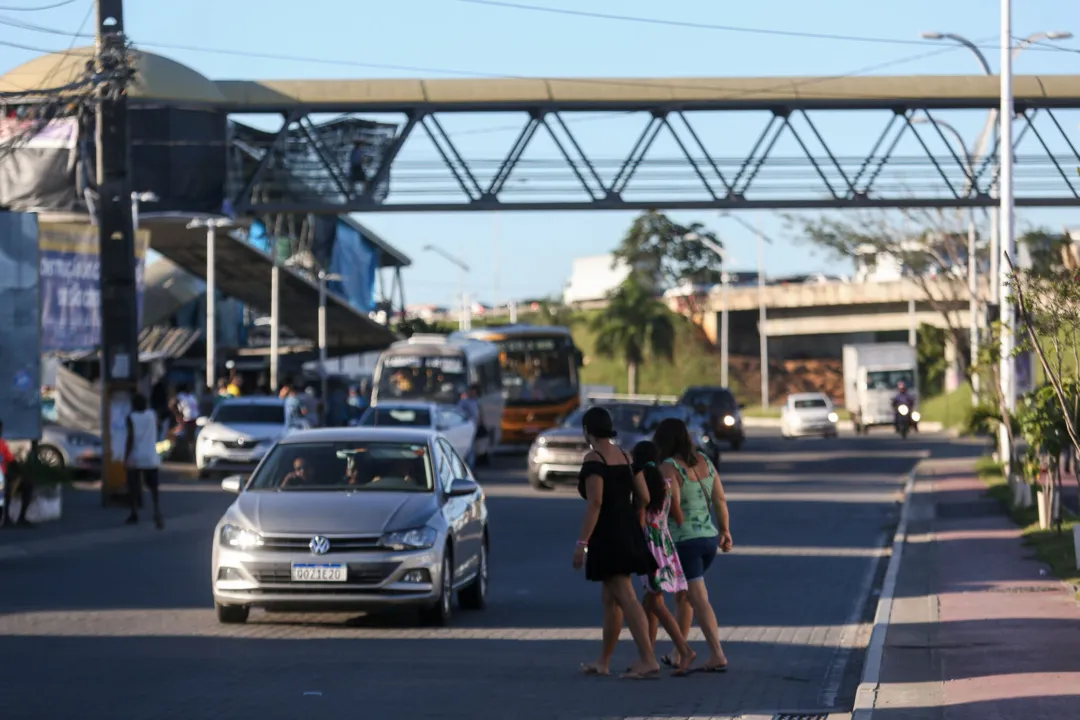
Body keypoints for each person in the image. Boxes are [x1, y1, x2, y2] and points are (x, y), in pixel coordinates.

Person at [574, 406, 661, 680]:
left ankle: (648, 659)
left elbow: (595, 503)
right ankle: (604, 661)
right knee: (610, 599)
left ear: (588, 430)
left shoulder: (594, 459)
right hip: (628, 531)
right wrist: (636, 517)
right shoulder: (625, 456)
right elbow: (644, 496)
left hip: (607, 535)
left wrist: (582, 543)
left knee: (625, 596)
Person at [654, 417, 733, 674]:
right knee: (684, 596)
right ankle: (678, 652)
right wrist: (725, 531)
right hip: (709, 538)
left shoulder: (669, 467)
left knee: (698, 598)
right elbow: (719, 499)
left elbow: (673, 506)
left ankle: (717, 654)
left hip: (685, 541)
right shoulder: (705, 461)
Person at [633, 440, 696, 674]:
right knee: (648, 604)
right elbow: (675, 515)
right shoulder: (666, 484)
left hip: (649, 546)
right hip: (665, 544)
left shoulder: (640, 484)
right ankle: (648, 657)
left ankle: (684, 650)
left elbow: (640, 518)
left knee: (655, 604)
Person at [125, 394, 164, 529]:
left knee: (133, 486)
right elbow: (159, 427)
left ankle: (134, 513)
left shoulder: (131, 417)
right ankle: (157, 511)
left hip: (135, 456)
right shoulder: (152, 414)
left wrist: (126, 456)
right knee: (153, 487)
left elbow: (130, 438)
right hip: (151, 456)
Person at [0, 419, 32, 528]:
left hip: (3, 476)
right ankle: (5, 519)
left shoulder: (2, 443)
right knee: (5, 487)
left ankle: (21, 517)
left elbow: (11, 461)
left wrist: (22, 472)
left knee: (28, 484)